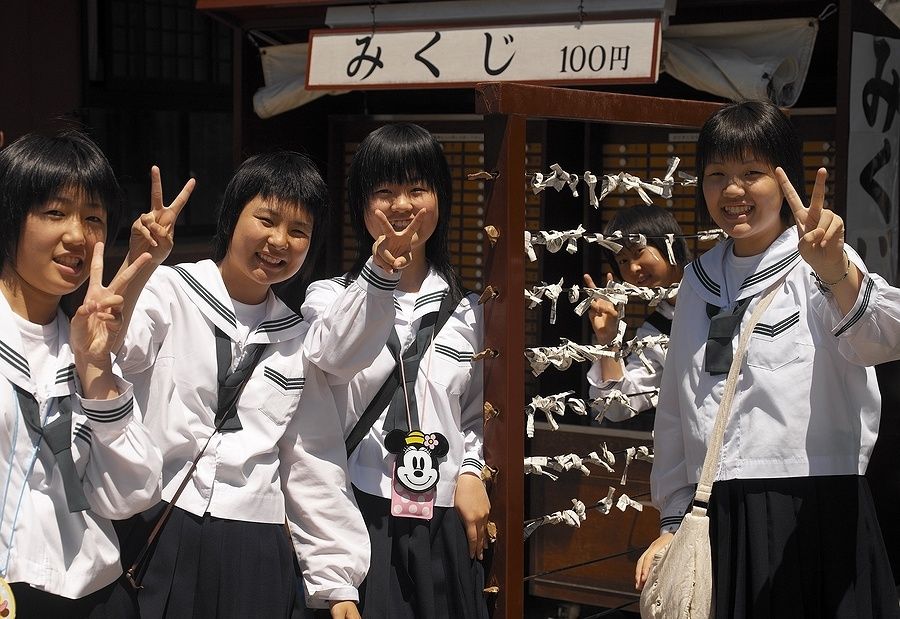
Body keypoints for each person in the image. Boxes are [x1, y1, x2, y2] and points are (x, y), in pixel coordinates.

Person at [636, 100, 900, 618]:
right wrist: (672, 520)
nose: (733, 191)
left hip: (816, 507)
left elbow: (882, 340)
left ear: (786, 180)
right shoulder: (698, 279)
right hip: (720, 514)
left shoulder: (819, 260)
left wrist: (835, 271)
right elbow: (676, 408)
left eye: (752, 172)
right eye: (717, 175)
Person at [109, 152, 369, 618]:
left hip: (253, 542)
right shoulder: (169, 290)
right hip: (160, 518)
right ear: (231, 218)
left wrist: (338, 581)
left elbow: (313, 461)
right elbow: (114, 356)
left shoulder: (298, 340)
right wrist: (137, 264)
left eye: (298, 231)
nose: (278, 241)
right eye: (266, 220)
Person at [301, 123, 490, 619]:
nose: (401, 205)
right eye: (383, 191)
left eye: (417, 189)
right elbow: (332, 358)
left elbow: (474, 415)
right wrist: (379, 275)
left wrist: (472, 472)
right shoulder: (327, 297)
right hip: (357, 508)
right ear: (361, 207)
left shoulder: (471, 310)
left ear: (440, 201)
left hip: (445, 512)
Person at [0, 131, 162, 616]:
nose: (78, 235)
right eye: (54, 213)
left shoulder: (82, 344)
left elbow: (129, 495)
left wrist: (97, 373)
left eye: (93, 217)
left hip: (95, 595)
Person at [584, 204, 689, 426]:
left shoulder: (722, 286)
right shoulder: (656, 330)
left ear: (669, 243)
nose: (633, 268)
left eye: (638, 252)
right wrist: (608, 341)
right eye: (622, 261)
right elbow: (617, 408)